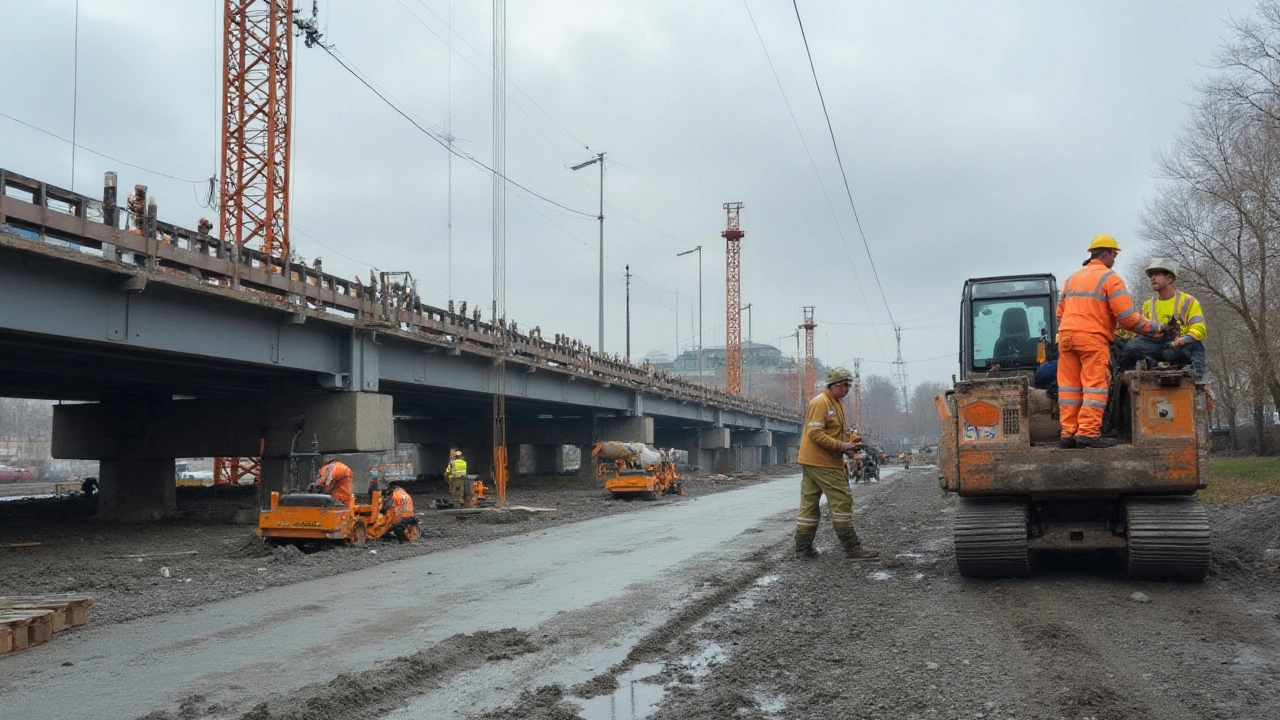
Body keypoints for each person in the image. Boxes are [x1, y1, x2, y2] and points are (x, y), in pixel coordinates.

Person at [1056, 234, 1160, 449]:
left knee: (1069, 389)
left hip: (1066, 337)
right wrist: (1156, 330)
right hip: (1092, 339)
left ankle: (1068, 433)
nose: (1114, 259)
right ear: (1106, 253)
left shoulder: (1072, 278)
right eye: (1114, 255)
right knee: (1094, 387)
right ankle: (1088, 433)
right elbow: (1128, 318)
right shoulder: (1110, 278)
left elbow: (1060, 314)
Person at [794, 367, 879, 560]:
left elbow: (831, 432)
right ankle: (852, 548)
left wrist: (848, 446)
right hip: (822, 462)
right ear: (832, 385)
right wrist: (841, 446)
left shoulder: (836, 402)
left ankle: (803, 548)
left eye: (849, 385)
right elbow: (814, 433)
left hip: (814, 461)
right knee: (842, 499)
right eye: (843, 385)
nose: (846, 389)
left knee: (809, 505)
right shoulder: (820, 403)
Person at [1119, 258, 1207, 378]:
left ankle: (1197, 383)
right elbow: (1141, 333)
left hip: (1183, 347)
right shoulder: (1148, 305)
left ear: (1169, 279)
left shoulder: (1188, 301)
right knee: (1131, 347)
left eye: (1157, 274)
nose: (1153, 278)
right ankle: (1125, 380)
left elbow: (1200, 329)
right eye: (1152, 275)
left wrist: (1182, 340)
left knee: (1191, 347)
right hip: (1159, 346)